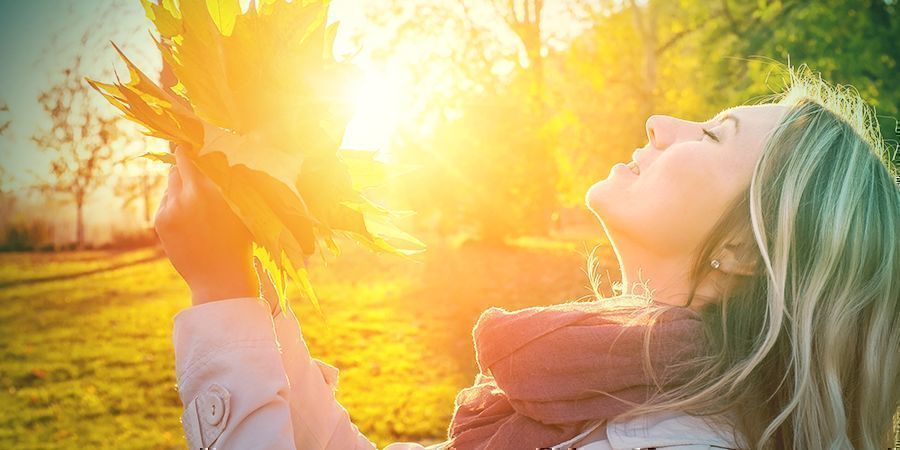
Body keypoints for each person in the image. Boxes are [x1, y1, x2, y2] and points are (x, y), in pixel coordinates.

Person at [155, 65, 900, 449]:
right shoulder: (617, 397)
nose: (660, 121)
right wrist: (254, 289)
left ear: (743, 246)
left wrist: (220, 292)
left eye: (711, 135)